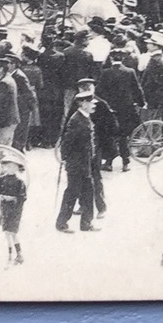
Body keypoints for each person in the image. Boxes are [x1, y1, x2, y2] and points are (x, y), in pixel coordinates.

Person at [56, 90, 99, 233]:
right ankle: (61, 223)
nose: (94, 105)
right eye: (91, 102)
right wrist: (65, 158)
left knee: (88, 192)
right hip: (76, 164)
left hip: (84, 163)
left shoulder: (84, 118)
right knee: (72, 193)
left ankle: (86, 224)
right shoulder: (77, 120)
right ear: (83, 103)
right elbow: (67, 142)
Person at [0, 157, 27, 265]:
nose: (10, 168)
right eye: (8, 166)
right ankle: (10, 253)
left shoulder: (19, 182)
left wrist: (12, 199)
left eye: (13, 166)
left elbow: (22, 197)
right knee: (6, 232)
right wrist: (0, 196)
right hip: (4, 209)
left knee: (12, 232)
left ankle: (19, 253)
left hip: (15, 210)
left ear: (17, 168)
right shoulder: (1, 180)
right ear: (4, 167)